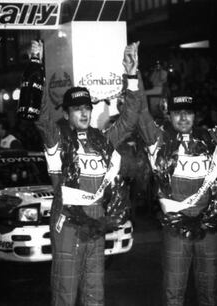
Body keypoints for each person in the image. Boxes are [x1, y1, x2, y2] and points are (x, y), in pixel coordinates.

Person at [137, 57, 217, 306]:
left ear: (195, 115)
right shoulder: (159, 140)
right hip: (175, 230)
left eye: (188, 113)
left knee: (209, 294)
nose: (183, 118)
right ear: (169, 114)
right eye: (177, 113)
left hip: (208, 229)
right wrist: (133, 76)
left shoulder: (210, 138)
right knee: (173, 294)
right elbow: (140, 115)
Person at [34, 40, 142, 305]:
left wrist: (131, 76)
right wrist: (36, 67)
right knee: (65, 290)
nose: (83, 112)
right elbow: (42, 116)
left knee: (95, 290)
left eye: (86, 108)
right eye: (76, 109)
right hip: (67, 220)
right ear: (68, 113)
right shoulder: (56, 138)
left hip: (96, 220)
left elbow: (128, 120)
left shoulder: (102, 140)